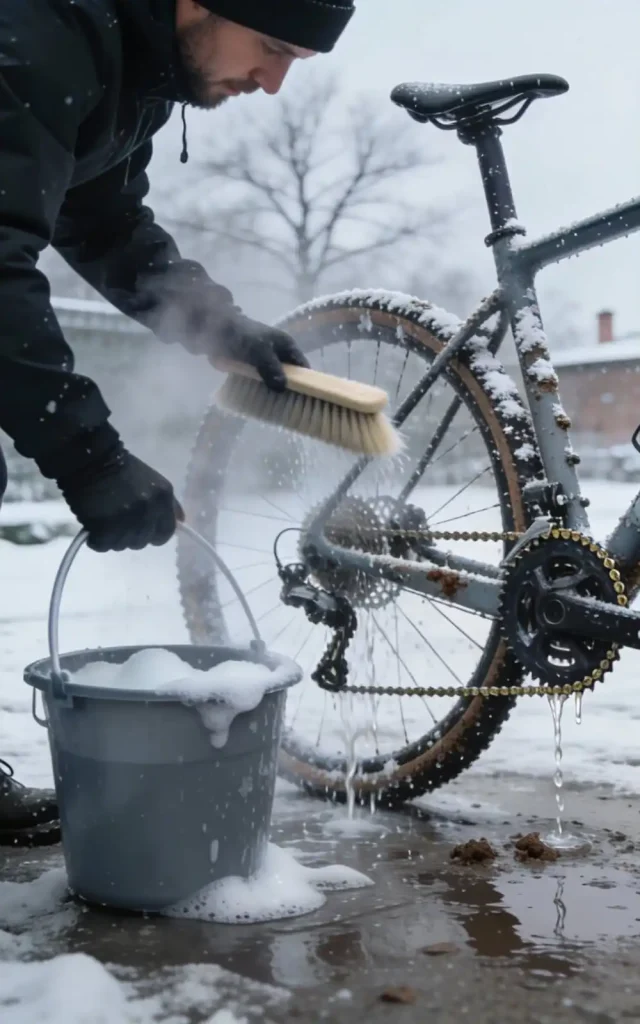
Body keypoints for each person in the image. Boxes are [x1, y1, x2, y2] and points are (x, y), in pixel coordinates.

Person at [0, 0, 356, 847]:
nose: (272, 83)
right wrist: (91, 458)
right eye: (271, 46)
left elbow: (106, 220)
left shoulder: (136, 68)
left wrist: (220, 327)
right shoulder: (43, 35)